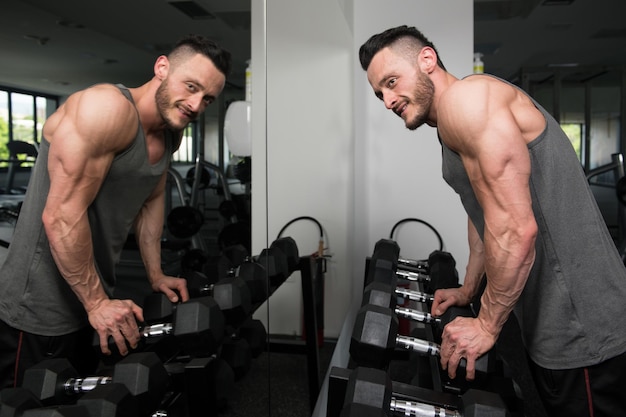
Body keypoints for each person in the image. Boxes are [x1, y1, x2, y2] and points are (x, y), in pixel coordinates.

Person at [359, 25, 626, 416]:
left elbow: (516, 229)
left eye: (391, 81)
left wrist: (486, 324)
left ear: (427, 60)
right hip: (551, 324)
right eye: (379, 92)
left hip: (581, 326)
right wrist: (470, 289)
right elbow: (483, 211)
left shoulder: (467, 101)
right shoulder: (453, 120)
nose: (386, 101)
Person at [0, 34, 231, 388]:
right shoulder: (105, 109)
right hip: (38, 307)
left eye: (208, 98)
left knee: (78, 403)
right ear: (162, 67)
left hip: (92, 297)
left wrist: (154, 274)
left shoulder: (172, 133)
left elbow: (150, 200)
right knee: (28, 404)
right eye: (191, 86)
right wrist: (97, 303)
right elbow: (60, 216)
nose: (196, 105)